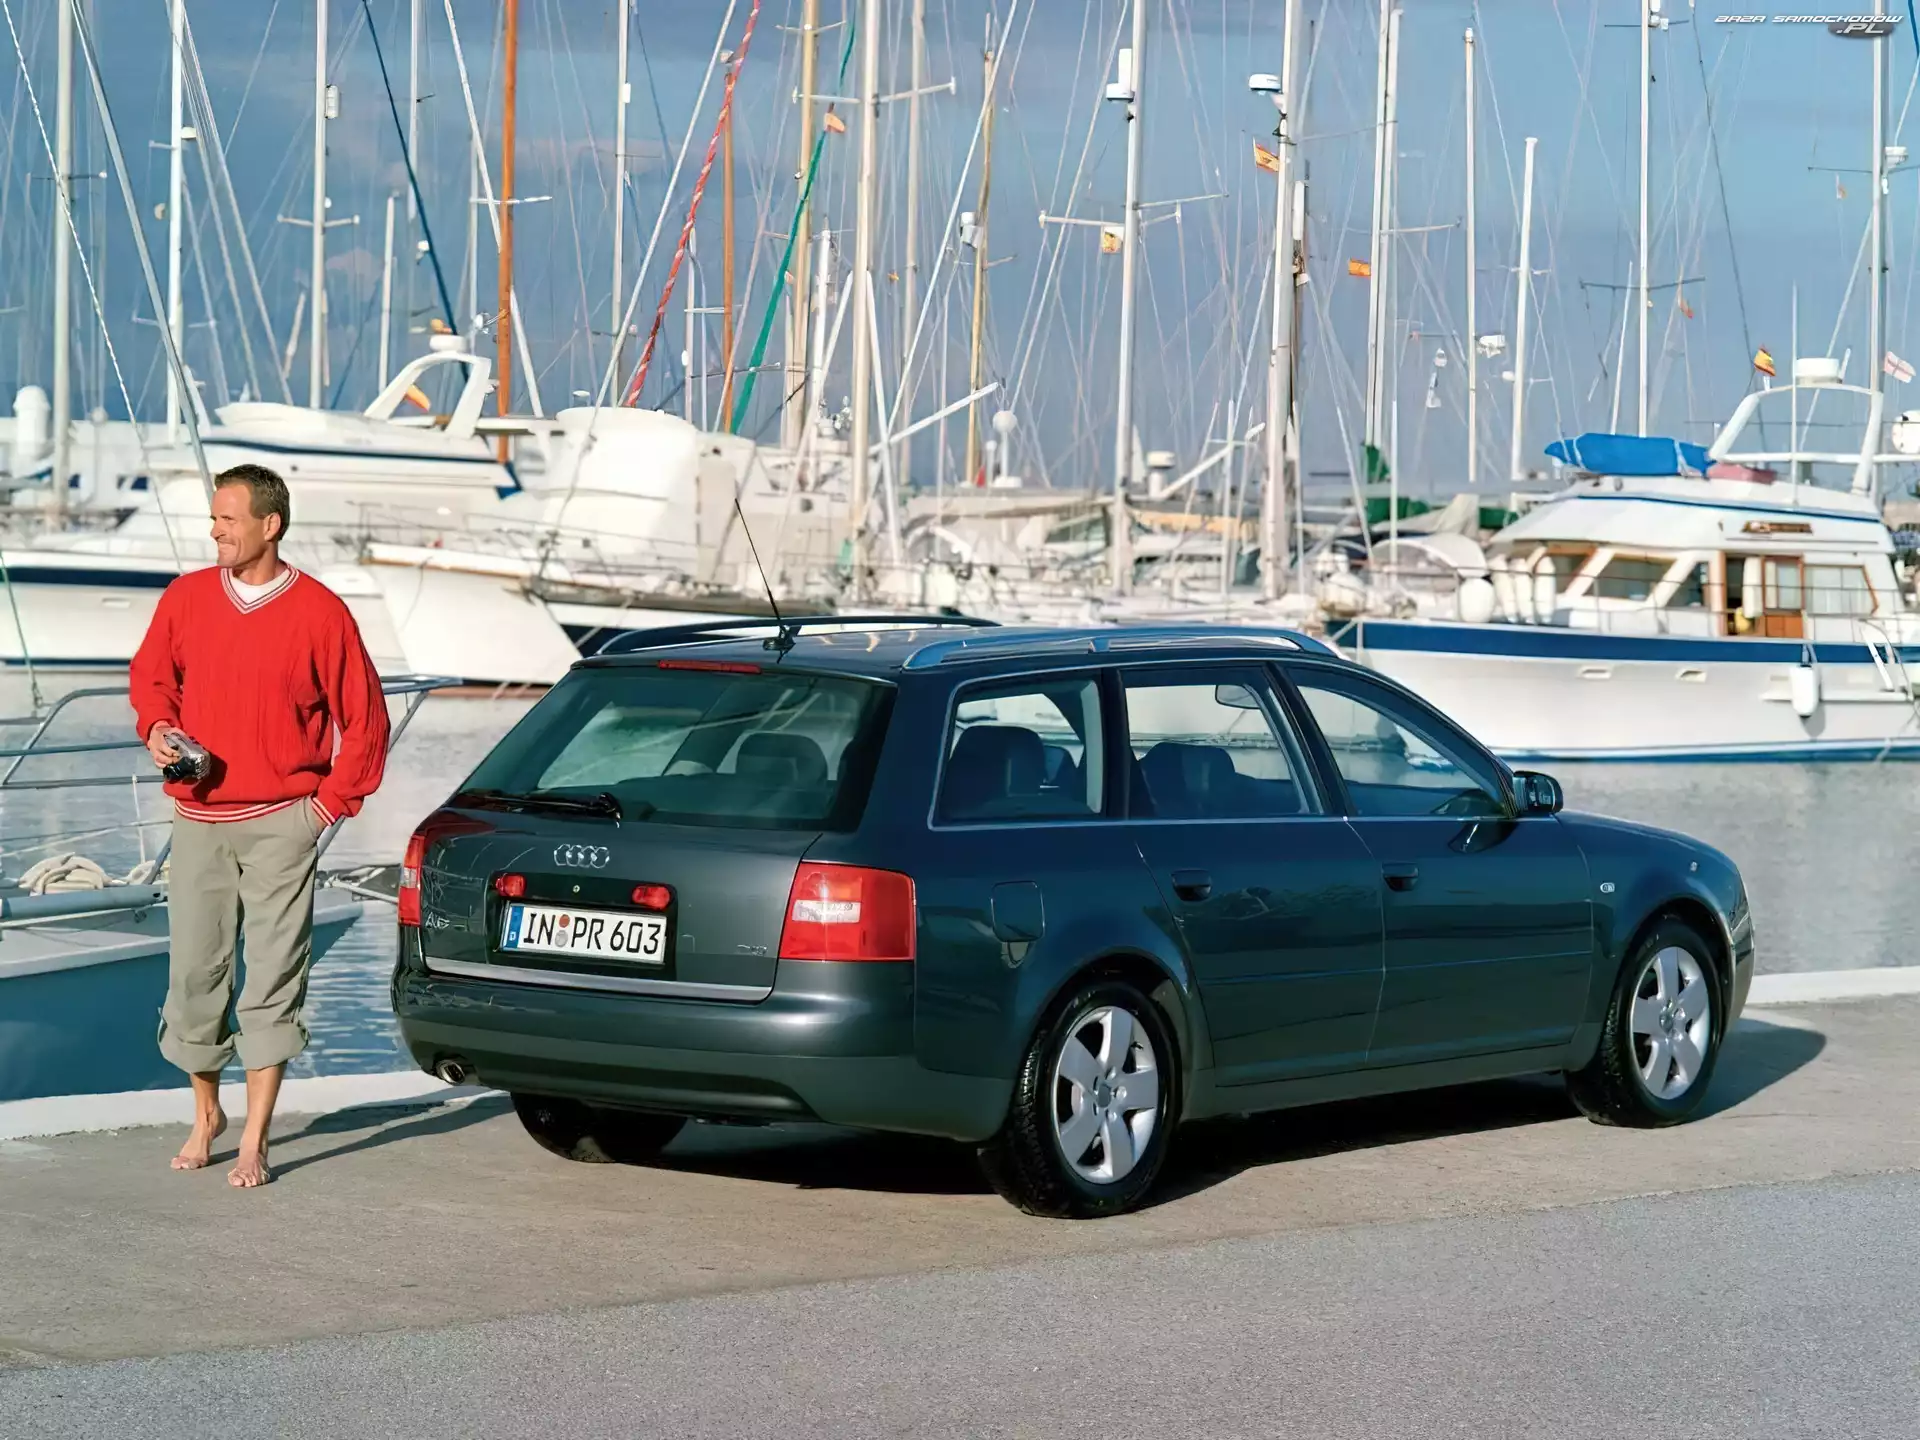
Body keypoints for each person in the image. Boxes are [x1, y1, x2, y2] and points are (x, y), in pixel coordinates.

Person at [130, 463, 390, 1188]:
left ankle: (255, 1138)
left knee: (273, 978)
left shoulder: (321, 613)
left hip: (283, 824)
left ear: (269, 525)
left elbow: (366, 722)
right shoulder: (185, 599)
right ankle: (207, 1115)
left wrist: (325, 808)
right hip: (198, 821)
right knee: (195, 974)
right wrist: (156, 727)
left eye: (228, 518)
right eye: (213, 518)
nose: (215, 530)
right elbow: (150, 679)